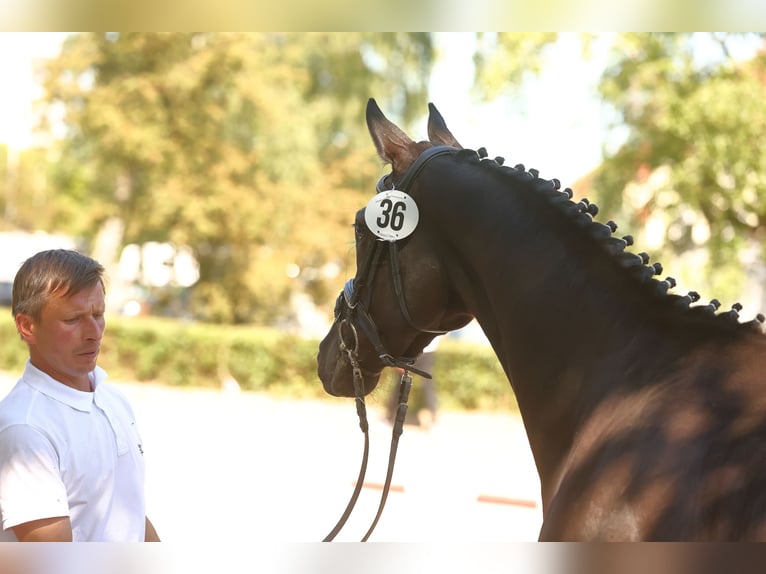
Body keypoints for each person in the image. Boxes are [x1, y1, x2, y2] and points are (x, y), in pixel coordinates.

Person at [0, 249, 160, 542]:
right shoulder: (24, 427)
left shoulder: (110, 397)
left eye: (98, 314)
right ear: (27, 326)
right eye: (73, 319)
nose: (94, 332)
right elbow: (53, 561)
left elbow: (129, 513)